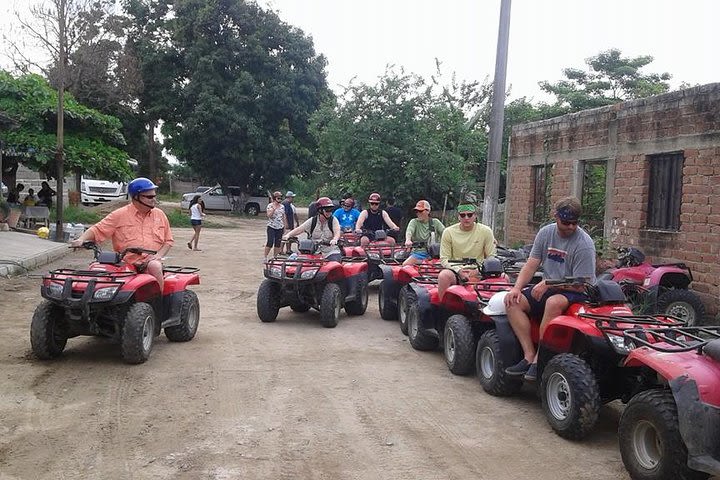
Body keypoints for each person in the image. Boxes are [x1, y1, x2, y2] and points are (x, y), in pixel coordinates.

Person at [503, 196, 597, 382]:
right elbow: (531, 264)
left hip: (576, 292)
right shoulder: (546, 233)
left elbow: (581, 282)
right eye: (566, 222)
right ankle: (528, 354)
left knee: (553, 302)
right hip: (550, 286)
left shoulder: (584, 244)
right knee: (512, 302)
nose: (571, 227)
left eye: (575, 223)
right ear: (556, 217)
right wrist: (516, 288)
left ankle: (540, 358)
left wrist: (548, 283)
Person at [69, 177, 173, 290]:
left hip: (149, 263)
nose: (154, 199)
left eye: (154, 196)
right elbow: (97, 229)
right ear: (136, 197)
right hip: (124, 262)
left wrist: (158, 256)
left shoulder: (160, 215)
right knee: (97, 270)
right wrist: (81, 240)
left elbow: (168, 241)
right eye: (149, 197)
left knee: (155, 266)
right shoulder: (119, 214)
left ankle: (157, 304)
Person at [437, 202, 496, 300]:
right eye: (463, 215)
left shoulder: (486, 231)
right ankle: (442, 309)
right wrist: (459, 271)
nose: (466, 218)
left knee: (504, 277)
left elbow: (491, 257)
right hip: (455, 271)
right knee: (443, 276)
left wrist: (478, 270)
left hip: (480, 271)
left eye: (470, 215)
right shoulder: (448, 232)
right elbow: (444, 259)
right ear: (458, 217)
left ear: (475, 216)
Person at [403, 200, 445, 266]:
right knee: (405, 265)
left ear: (428, 211)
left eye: (420, 211)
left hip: (435, 254)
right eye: (416, 211)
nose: (418, 213)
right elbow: (409, 231)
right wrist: (408, 240)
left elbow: (446, 233)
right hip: (418, 253)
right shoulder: (414, 222)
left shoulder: (435, 222)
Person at [264, 190, 287, 260]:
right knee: (270, 242)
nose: (280, 199)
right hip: (271, 226)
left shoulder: (282, 206)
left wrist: (284, 227)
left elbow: (283, 216)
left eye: (280, 198)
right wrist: (273, 209)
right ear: (275, 198)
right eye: (278, 198)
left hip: (280, 227)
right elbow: (269, 216)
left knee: (278, 243)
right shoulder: (270, 206)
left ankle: (275, 257)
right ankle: (265, 257)